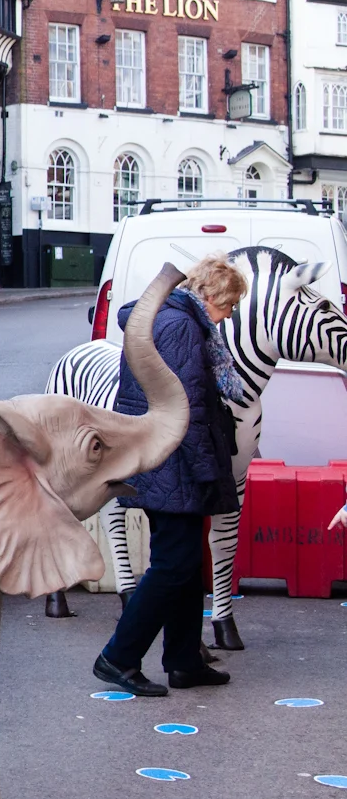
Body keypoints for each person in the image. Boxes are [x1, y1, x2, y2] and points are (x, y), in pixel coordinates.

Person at [93, 255, 248, 697]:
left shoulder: (165, 318)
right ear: (212, 296)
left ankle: (183, 661)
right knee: (172, 565)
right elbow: (190, 408)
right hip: (175, 460)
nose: (228, 316)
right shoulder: (181, 327)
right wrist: (205, 472)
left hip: (161, 456)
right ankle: (118, 657)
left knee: (183, 565)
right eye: (229, 306)